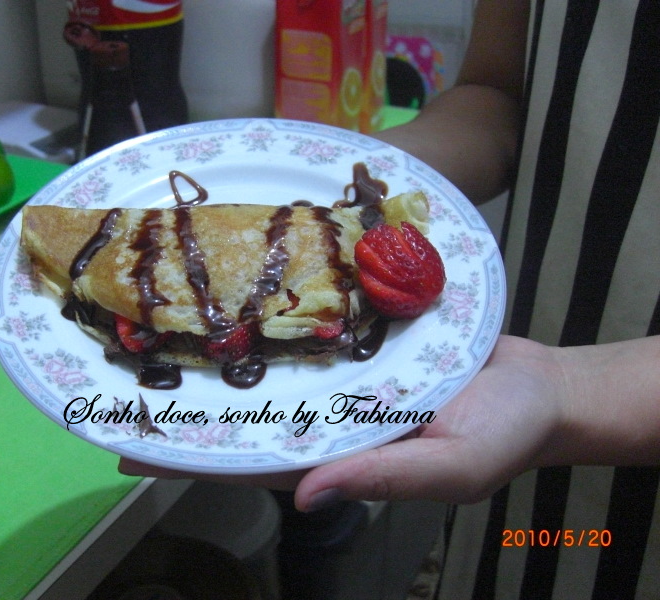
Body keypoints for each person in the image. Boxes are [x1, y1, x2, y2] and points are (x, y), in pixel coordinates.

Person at [120, 1, 660, 597]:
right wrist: (341, 183)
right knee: (515, 561)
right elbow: (496, 96)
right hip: (525, 352)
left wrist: (573, 389)